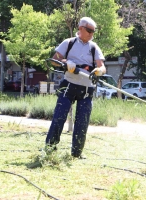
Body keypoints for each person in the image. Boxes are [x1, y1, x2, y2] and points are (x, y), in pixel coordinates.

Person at [45, 17, 106, 159]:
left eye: (93, 31)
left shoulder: (94, 47)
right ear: (81, 28)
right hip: (69, 86)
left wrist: (100, 71)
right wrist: (66, 62)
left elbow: (102, 65)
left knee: (82, 122)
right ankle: (49, 149)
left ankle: (77, 153)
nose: (91, 33)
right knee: (59, 117)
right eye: (89, 30)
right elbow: (55, 60)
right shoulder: (69, 43)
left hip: (86, 89)